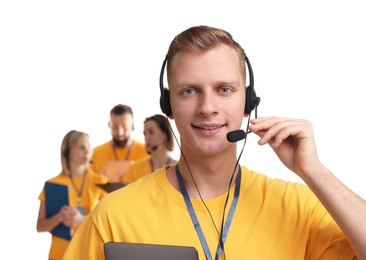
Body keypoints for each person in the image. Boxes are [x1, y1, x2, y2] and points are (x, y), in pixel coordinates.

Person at [63, 25, 366, 259]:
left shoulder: (298, 206)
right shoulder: (113, 216)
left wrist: (314, 171)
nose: (207, 107)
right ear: (168, 106)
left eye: (223, 89)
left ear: (248, 102)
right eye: (189, 91)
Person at [36, 130, 108, 259]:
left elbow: (108, 222)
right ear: (68, 152)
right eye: (81, 147)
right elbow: (40, 226)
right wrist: (60, 217)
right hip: (59, 255)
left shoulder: (100, 181)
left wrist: (81, 220)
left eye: (89, 146)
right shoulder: (52, 184)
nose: (87, 151)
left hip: (88, 255)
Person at [91, 104, 149, 183]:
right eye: (114, 127)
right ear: (109, 125)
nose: (119, 132)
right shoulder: (95, 154)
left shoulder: (147, 152)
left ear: (132, 126)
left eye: (124, 127)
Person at [123, 114, 177, 184]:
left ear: (166, 134)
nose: (147, 138)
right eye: (145, 134)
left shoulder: (180, 169)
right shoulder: (134, 169)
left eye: (151, 132)